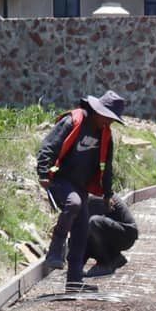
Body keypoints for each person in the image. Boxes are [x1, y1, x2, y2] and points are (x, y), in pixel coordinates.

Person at [35, 90, 126, 286]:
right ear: (97, 110)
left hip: (81, 186)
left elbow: (107, 167)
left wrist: (107, 193)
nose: (109, 123)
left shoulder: (105, 135)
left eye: (112, 120)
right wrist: (43, 173)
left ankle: (74, 281)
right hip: (60, 179)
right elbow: (48, 146)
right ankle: (55, 249)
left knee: (81, 232)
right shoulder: (73, 121)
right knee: (73, 203)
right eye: (107, 118)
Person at [83, 194, 139, 274]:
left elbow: (85, 234)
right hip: (119, 233)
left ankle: (106, 264)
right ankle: (116, 257)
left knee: (94, 223)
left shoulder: (93, 198)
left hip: (127, 234)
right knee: (90, 229)